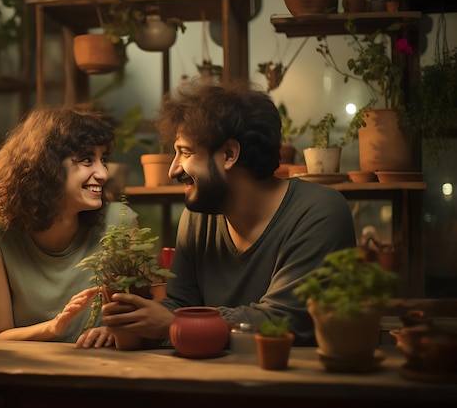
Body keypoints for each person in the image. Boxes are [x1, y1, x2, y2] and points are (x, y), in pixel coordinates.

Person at [96, 81, 357, 348]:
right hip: (209, 381)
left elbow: (286, 319)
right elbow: (181, 306)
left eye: (185, 152)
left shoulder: (318, 212)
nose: (173, 170)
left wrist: (176, 324)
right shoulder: (199, 217)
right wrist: (135, 326)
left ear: (229, 154)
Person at [0, 105, 137, 347]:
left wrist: (118, 332)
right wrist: (53, 327)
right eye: (87, 160)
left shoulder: (120, 223)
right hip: (29, 374)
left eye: (102, 159)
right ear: (48, 167)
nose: (103, 173)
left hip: (107, 371)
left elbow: (143, 317)